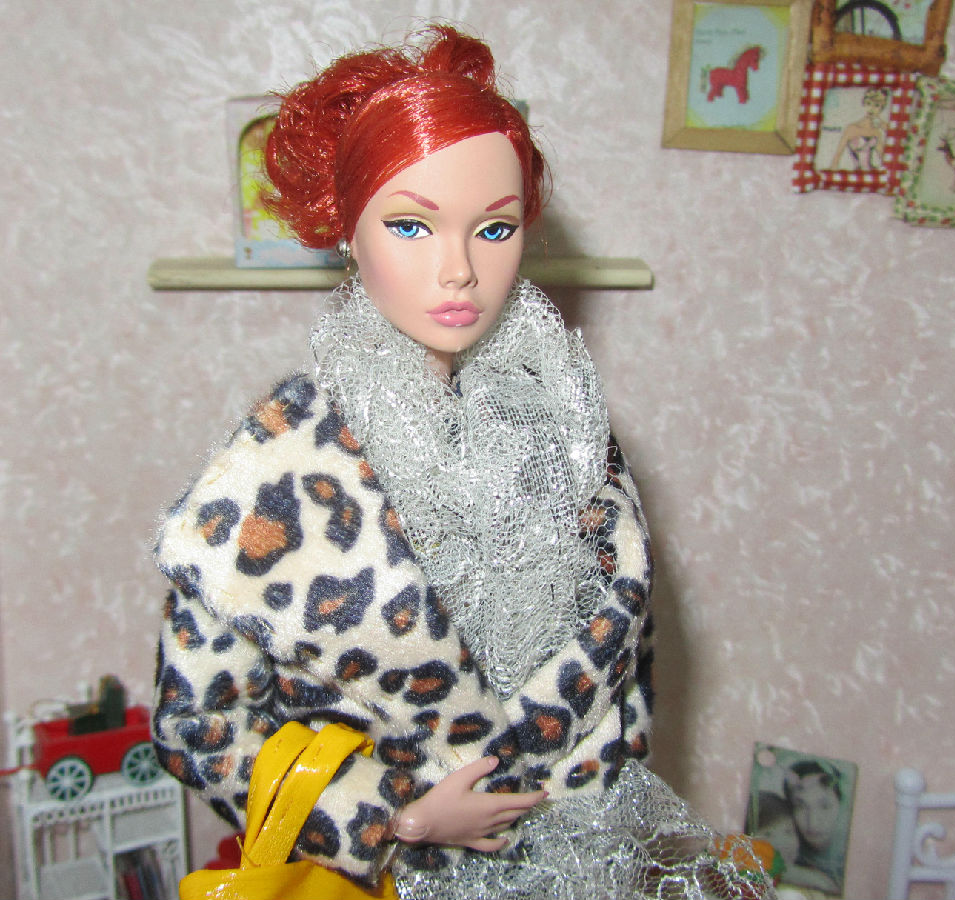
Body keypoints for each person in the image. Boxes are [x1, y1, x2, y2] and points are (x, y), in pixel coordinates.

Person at [151, 24, 766, 900]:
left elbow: (632, 676)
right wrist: (392, 815)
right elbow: (196, 728)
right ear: (348, 231)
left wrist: (609, 823)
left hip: (578, 869)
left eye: (495, 228)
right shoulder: (270, 479)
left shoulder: (571, 432)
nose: (459, 270)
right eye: (410, 225)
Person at [784, 759, 846, 893]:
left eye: (824, 806)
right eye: (801, 806)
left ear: (840, 804)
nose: (813, 822)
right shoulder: (784, 850)